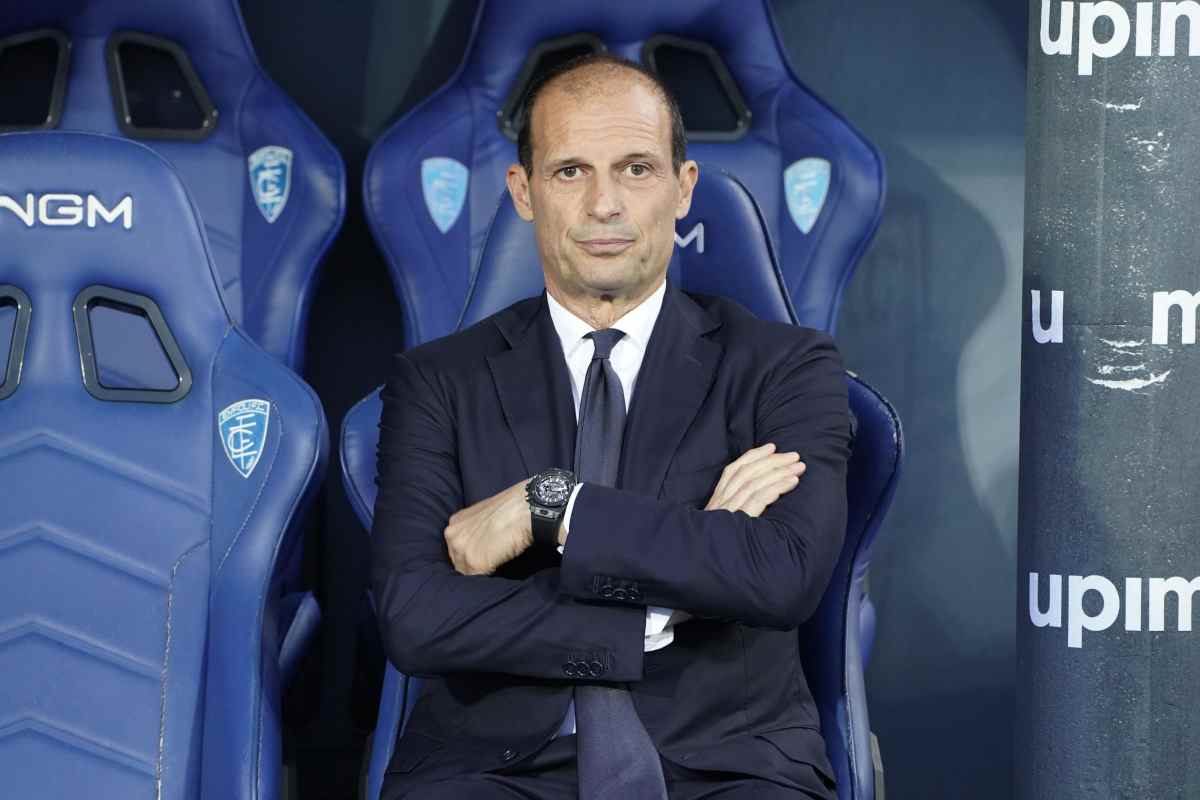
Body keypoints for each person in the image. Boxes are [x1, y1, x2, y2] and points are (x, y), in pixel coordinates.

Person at [372, 52, 850, 800]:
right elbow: (415, 616)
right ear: (523, 192)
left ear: (682, 188)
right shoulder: (438, 381)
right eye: (570, 172)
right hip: (492, 769)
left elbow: (781, 574)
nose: (604, 204)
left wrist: (555, 506)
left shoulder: (785, 367)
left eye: (636, 169)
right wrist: (674, 592)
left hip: (730, 767)